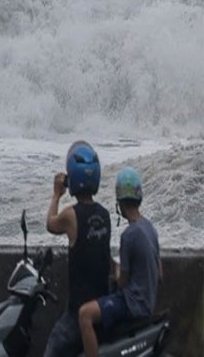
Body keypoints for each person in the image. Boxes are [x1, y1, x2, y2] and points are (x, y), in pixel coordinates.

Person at [77, 167, 161, 357]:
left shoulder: (129, 235)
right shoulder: (150, 228)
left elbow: (122, 282)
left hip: (133, 304)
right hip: (148, 301)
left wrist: (115, 270)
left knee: (85, 314)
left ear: (119, 203)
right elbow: (160, 272)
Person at [43, 141, 112, 357]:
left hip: (78, 312)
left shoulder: (70, 215)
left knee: (53, 350)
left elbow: (50, 224)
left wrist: (56, 194)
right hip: (101, 306)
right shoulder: (105, 215)